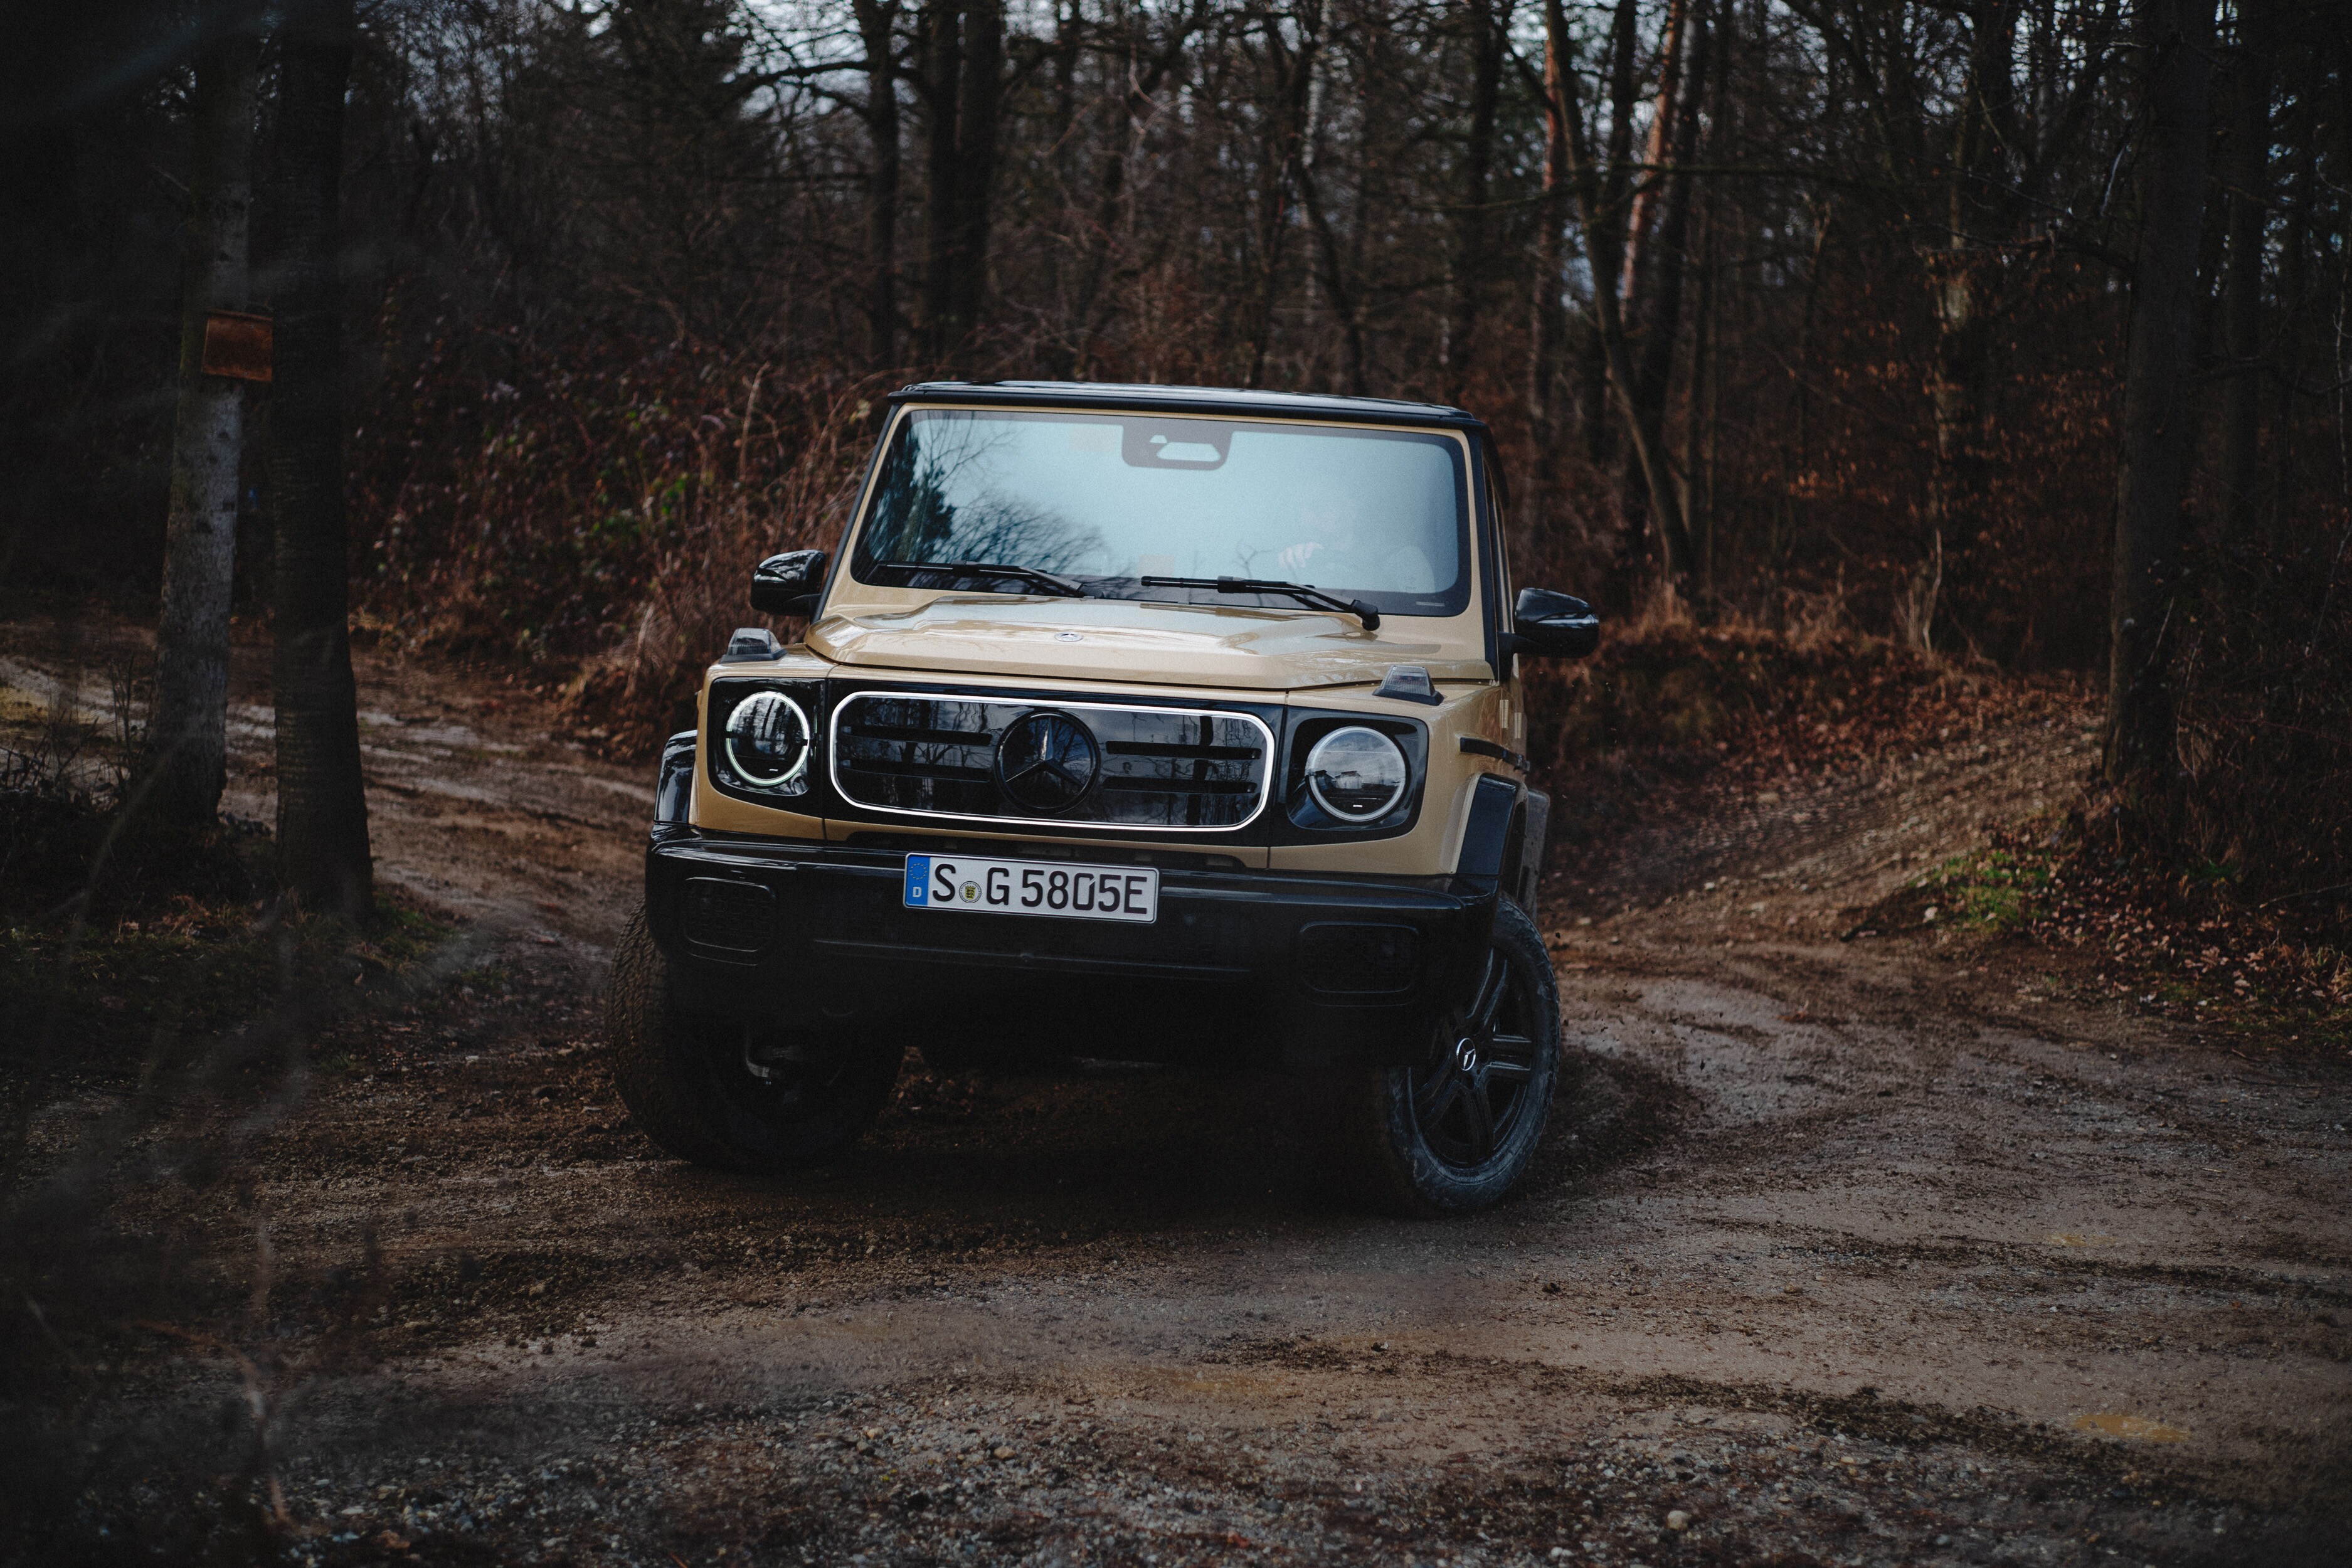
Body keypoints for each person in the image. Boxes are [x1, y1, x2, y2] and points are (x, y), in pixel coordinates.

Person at [1274, 490, 1438, 593]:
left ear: (1351, 510)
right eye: (1298, 511)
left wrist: (1333, 559)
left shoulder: (1402, 558)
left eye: (1318, 507)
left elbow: (1416, 626)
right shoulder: (1292, 560)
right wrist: (1290, 565)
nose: (1304, 521)